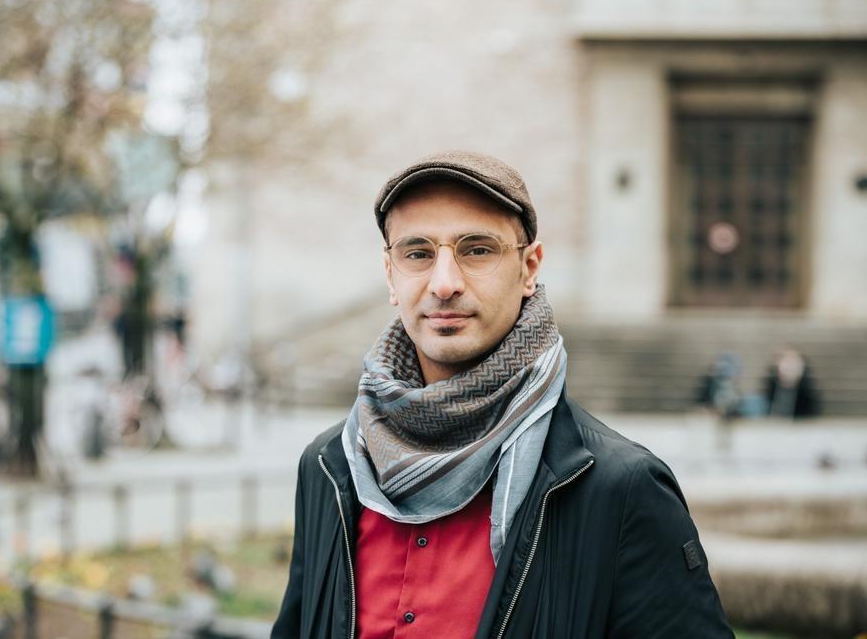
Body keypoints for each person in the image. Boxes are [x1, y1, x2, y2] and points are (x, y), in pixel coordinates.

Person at [272, 151, 732, 638]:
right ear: (391, 275)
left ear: (529, 267)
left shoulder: (621, 488)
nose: (444, 284)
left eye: (477, 250)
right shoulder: (328, 466)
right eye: (418, 253)